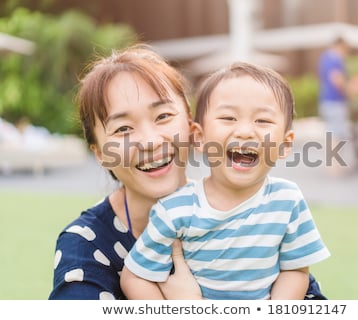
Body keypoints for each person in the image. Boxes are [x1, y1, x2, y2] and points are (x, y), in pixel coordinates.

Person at [49, 44, 327, 300]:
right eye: (123, 129)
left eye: (163, 116)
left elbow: (298, 284)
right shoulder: (83, 247)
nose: (150, 142)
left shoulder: (259, 217)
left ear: (192, 125)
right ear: (100, 153)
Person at [121, 62, 330, 300]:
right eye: (228, 118)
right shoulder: (175, 209)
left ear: (285, 145)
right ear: (199, 138)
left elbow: (295, 270)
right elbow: (135, 276)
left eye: (262, 121)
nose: (244, 131)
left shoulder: (288, 201)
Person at [317, 36, 358, 173]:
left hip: (328, 101)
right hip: (334, 102)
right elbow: (337, 79)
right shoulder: (333, 59)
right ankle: (334, 166)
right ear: (341, 45)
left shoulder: (325, 58)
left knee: (335, 133)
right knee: (336, 134)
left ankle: (334, 165)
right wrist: (351, 89)